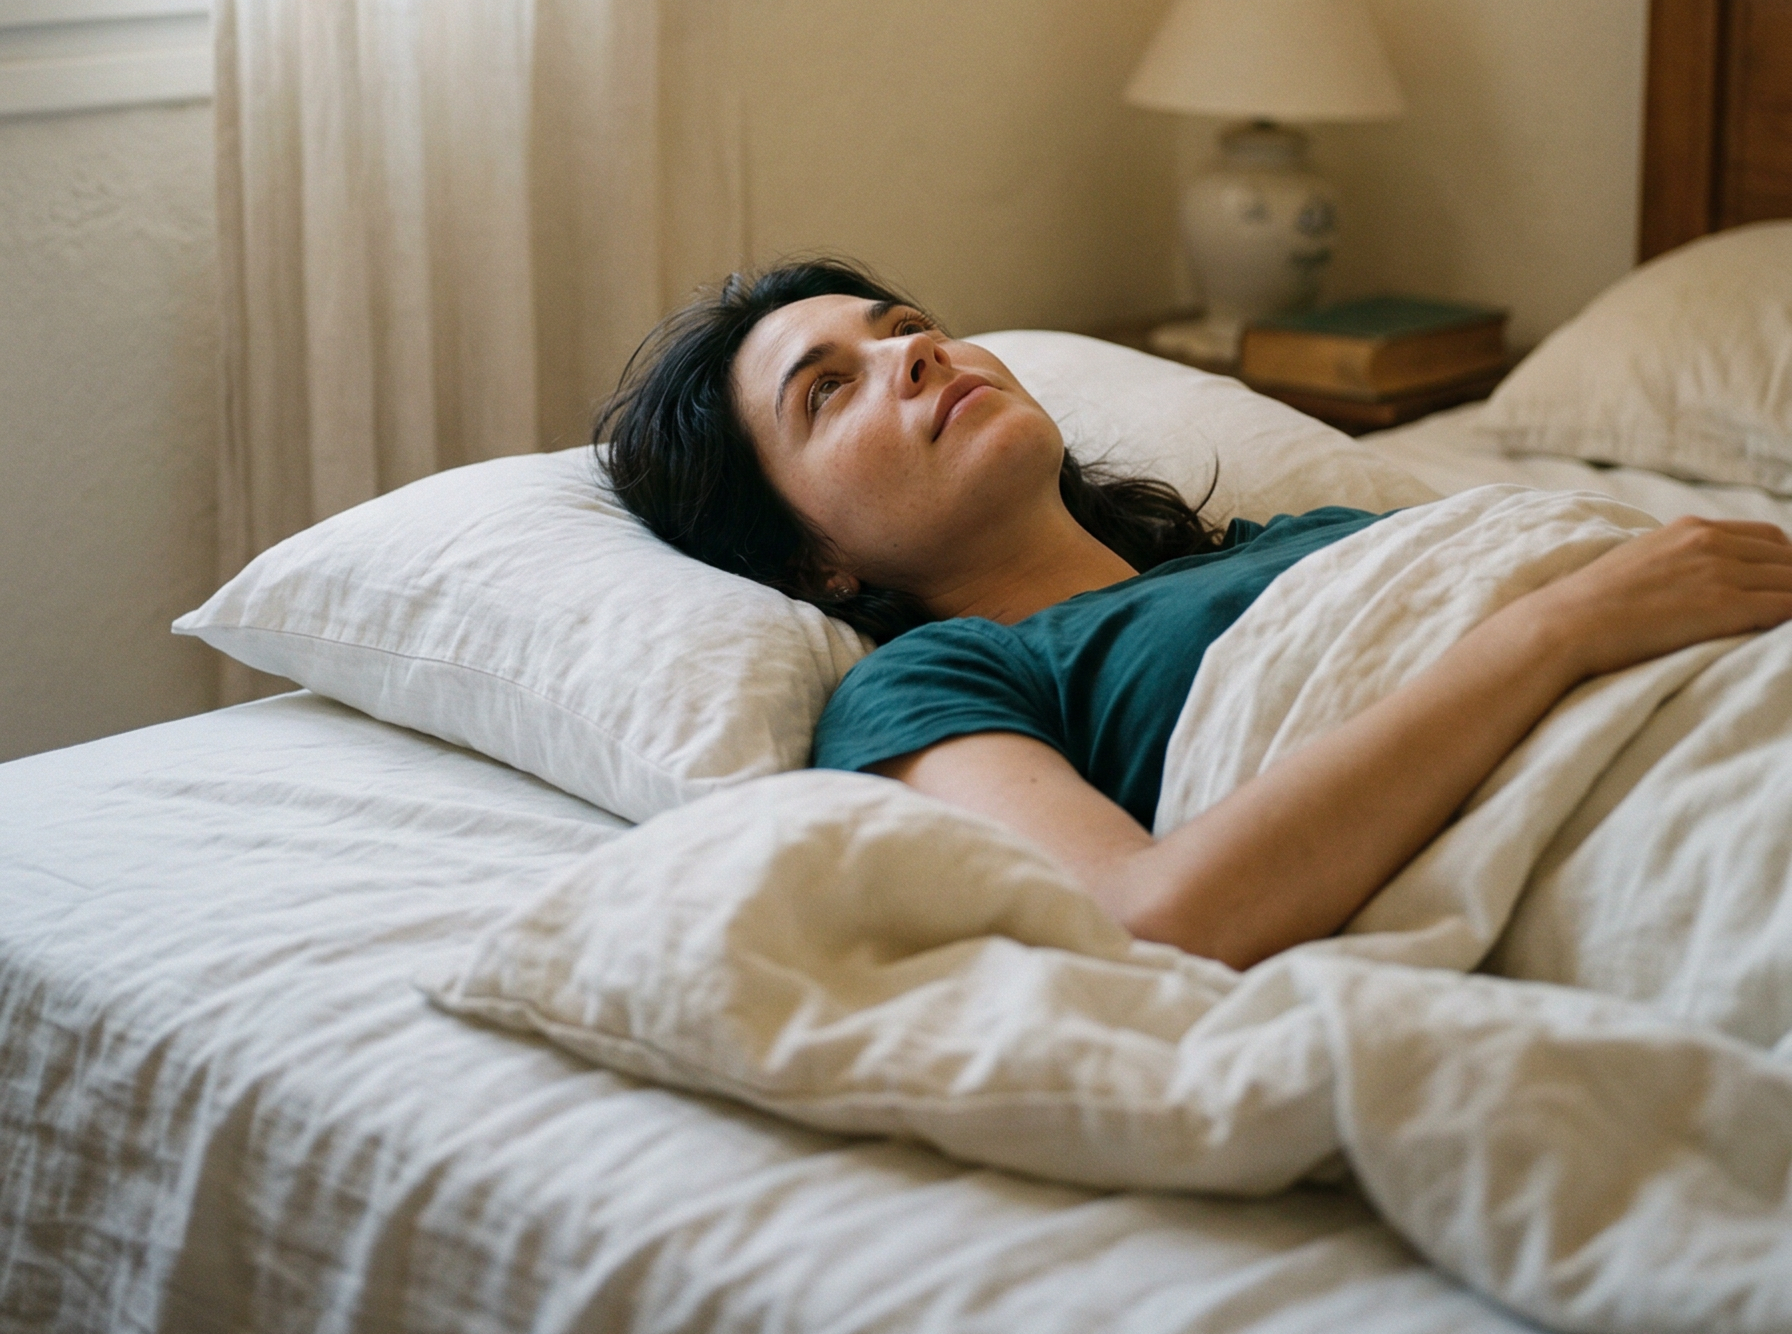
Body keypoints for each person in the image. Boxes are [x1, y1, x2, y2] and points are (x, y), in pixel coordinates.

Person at [598, 257, 1792, 970]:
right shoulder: (935, 682)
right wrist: (1561, 629)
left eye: (901, 328)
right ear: (813, 565)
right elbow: (1157, 916)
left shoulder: (1296, 545)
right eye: (827, 390)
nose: (911, 355)